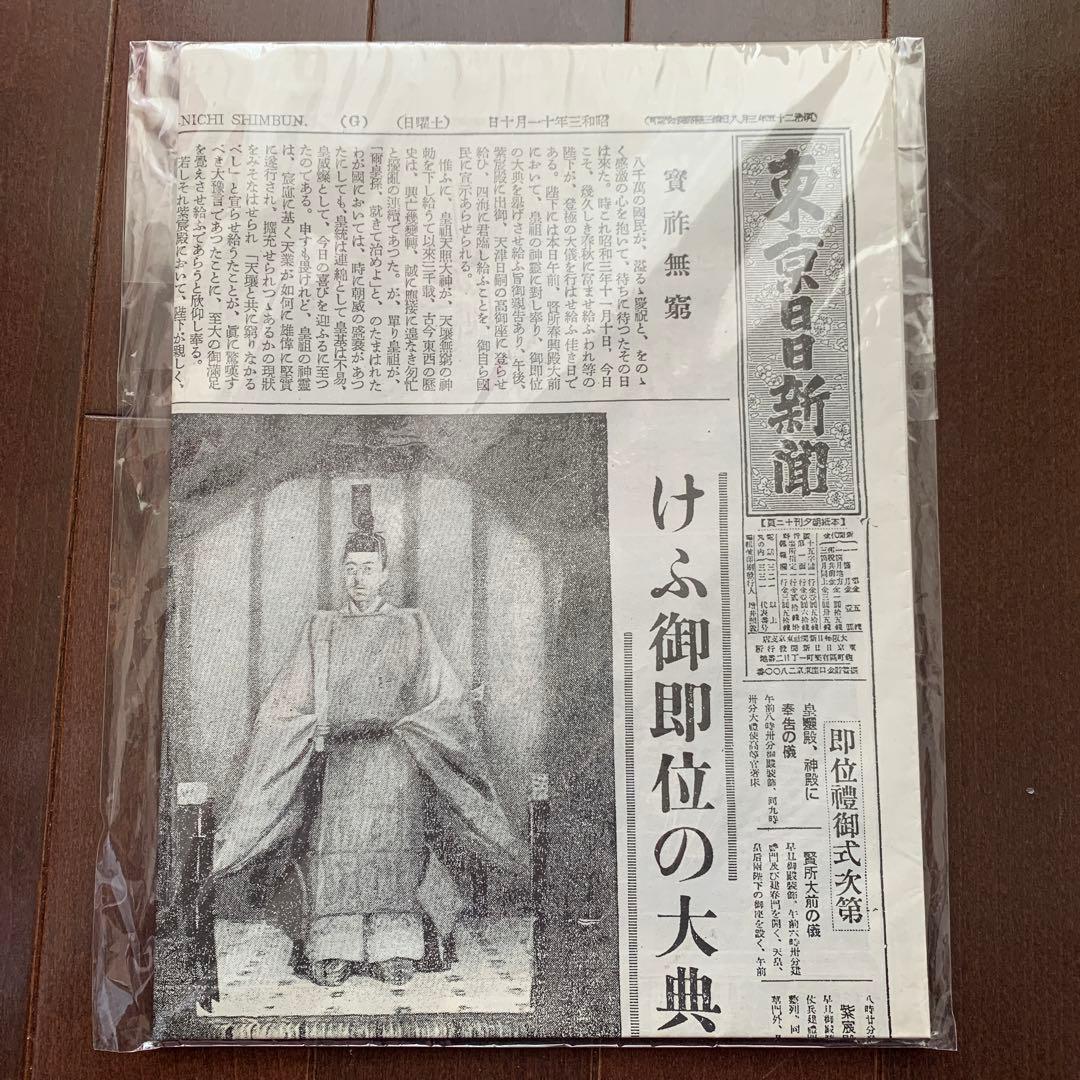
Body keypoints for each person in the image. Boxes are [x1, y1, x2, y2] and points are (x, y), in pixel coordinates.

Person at [210, 487, 526, 987]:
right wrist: (311, 725)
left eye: (368, 568)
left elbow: (444, 696)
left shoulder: (411, 625)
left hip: (396, 761)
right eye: (350, 568)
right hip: (339, 762)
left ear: (385, 573)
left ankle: (395, 946)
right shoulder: (321, 629)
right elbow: (285, 703)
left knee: (394, 851)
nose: (358, 578)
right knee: (335, 852)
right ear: (342, 573)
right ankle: (333, 947)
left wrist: (412, 725)